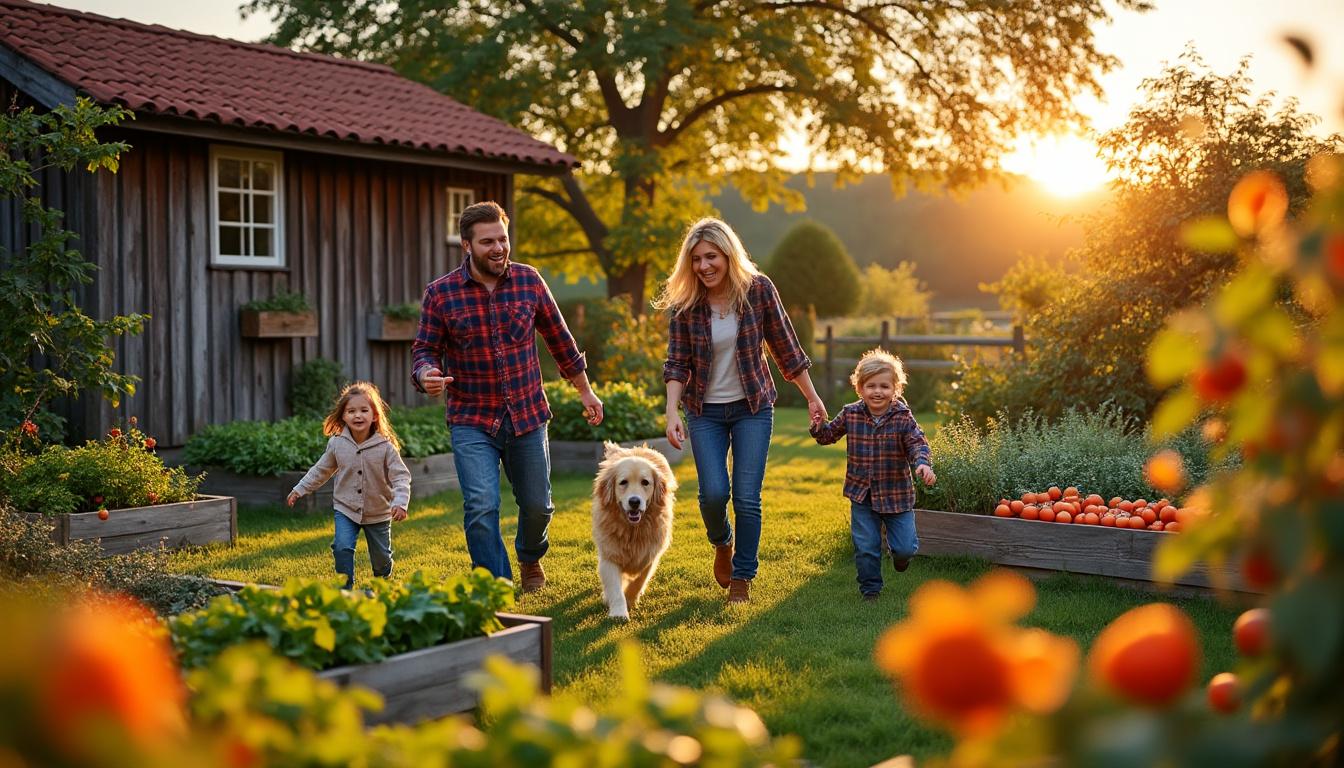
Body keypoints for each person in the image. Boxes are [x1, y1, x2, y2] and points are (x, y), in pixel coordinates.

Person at [411, 200, 602, 592]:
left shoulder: (529, 281)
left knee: (538, 506)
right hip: (471, 418)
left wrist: (586, 391)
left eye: (502, 238)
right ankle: (495, 585)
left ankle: (530, 557)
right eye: (487, 242)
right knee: (481, 506)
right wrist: (426, 373)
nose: (498, 248)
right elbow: (424, 350)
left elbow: (560, 340)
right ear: (467, 246)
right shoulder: (441, 294)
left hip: (527, 414)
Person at [654, 217, 827, 604]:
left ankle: (742, 577)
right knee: (713, 494)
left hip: (753, 408)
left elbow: (786, 348)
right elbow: (677, 362)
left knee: (747, 497)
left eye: (711, 256)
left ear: (729, 255)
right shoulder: (686, 303)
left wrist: (812, 397)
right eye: (696, 259)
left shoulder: (759, 290)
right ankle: (723, 542)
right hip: (705, 411)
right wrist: (671, 411)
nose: (703, 266)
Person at [809, 348, 936, 601]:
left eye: (884, 386)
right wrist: (818, 426)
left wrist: (923, 464)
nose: (878, 392)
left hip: (896, 496)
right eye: (871, 386)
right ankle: (870, 591)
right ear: (860, 388)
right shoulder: (851, 413)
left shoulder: (903, 417)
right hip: (862, 494)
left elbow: (917, 443)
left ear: (895, 389)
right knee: (866, 547)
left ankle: (901, 558)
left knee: (905, 548)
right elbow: (828, 436)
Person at [288, 381, 411, 590]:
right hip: (345, 508)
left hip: (378, 511)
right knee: (342, 547)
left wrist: (400, 502)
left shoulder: (385, 447)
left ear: (375, 415)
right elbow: (321, 470)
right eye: (351, 411)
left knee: (381, 557)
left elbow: (400, 476)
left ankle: (382, 584)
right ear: (343, 416)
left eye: (364, 410)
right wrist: (299, 489)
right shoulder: (337, 443)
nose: (358, 415)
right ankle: (345, 589)